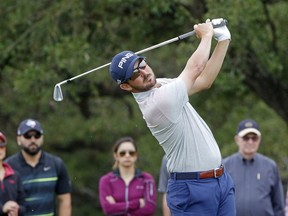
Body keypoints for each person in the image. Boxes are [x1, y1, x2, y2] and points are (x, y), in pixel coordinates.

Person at [109, 18, 235, 215]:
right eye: (134, 74)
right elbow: (195, 69)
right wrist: (207, 35)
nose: (144, 72)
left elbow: (203, 81)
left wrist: (223, 40)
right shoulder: (157, 104)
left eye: (141, 63)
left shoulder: (160, 84)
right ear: (126, 86)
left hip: (220, 181)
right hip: (191, 189)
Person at [5, 119, 72, 216]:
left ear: (43, 138)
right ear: (18, 139)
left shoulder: (56, 164)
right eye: (27, 136)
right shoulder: (8, 166)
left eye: (37, 135)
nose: (33, 140)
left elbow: (64, 200)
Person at [223, 119, 285, 216]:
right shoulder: (225, 166)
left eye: (254, 138)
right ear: (237, 139)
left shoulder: (270, 166)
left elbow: (278, 205)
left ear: (259, 140)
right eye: (246, 138)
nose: (250, 141)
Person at [99, 136, 157, 216]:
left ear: (136, 155)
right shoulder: (106, 180)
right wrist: (137, 203)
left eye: (131, 153)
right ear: (116, 156)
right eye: (122, 153)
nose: (127, 155)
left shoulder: (147, 179)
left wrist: (117, 207)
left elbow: (150, 209)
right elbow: (108, 209)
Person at [0, 131, 25, 216]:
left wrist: (16, 209)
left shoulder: (15, 175)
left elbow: (23, 205)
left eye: (1, 146)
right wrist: (2, 208)